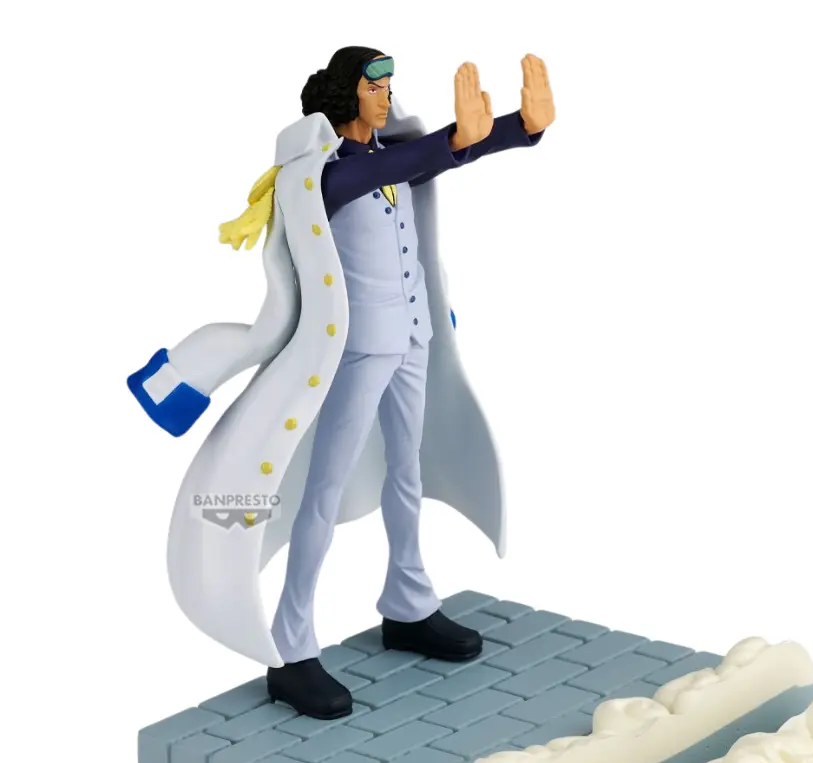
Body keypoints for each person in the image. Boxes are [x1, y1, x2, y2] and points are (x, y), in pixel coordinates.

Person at [126, 48, 555, 719]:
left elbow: (435, 159)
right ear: (345, 94)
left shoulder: (394, 155)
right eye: (374, 87)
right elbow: (399, 165)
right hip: (359, 348)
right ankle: (292, 644)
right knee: (322, 492)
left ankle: (408, 602)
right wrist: (455, 140)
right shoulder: (326, 175)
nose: (385, 98)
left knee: (407, 471)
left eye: (389, 87)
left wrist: (522, 127)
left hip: (412, 335)